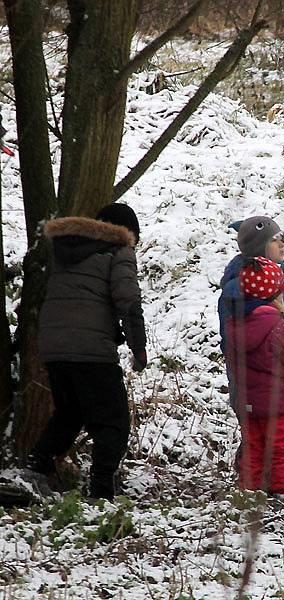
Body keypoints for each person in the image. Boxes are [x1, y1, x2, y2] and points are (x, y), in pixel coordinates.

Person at [28, 203, 147, 501]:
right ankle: (101, 490)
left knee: (71, 412)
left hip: (55, 349)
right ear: (126, 232)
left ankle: (34, 470)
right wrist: (139, 347)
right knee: (114, 421)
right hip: (92, 351)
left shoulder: (67, 250)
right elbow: (128, 301)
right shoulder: (118, 250)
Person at [218, 216, 284, 469]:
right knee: (267, 440)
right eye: (275, 240)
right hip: (264, 379)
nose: (283, 244)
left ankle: (269, 486)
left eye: (283, 238)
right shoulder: (244, 290)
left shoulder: (274, 281)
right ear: (258, 247)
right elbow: (241, 340)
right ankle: (264, 490)